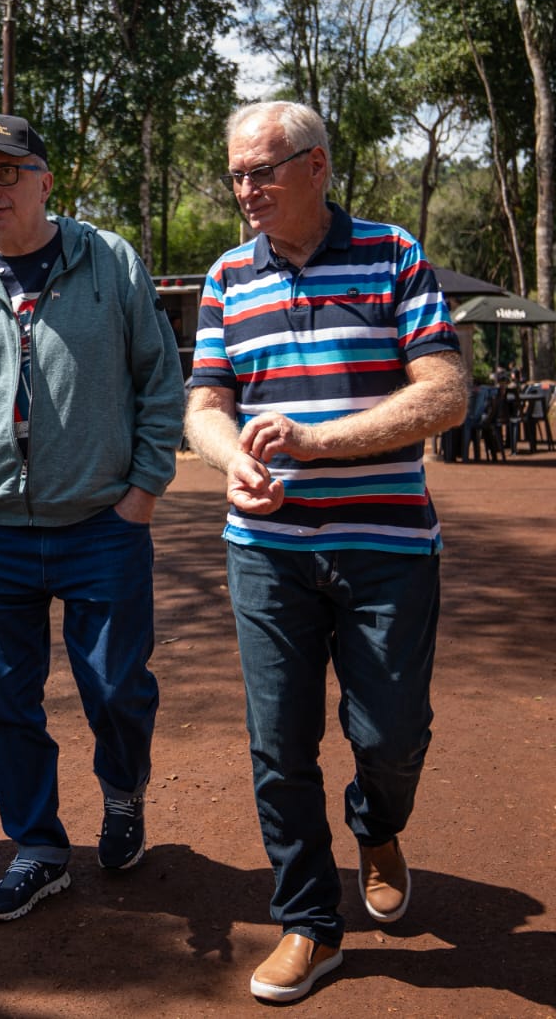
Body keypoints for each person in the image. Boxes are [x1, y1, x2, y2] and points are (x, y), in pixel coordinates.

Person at [184, 101, 468, 1004]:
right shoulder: (228, 275)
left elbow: (446, 394)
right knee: (279, 745)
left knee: (391, 736)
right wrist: (235, 464)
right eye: (235, 174)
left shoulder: (394, 254)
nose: (246, 190)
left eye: (262, 171)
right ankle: (310, 923)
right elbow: (203, 409)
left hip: (386, 547)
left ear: (317, 167)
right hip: (266, 549)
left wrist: (315, 444)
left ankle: (377, 825)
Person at [0, 114, 185, 921]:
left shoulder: (111, 262)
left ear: (44, 179)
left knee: (116, 690)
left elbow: (159, 380)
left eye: (6, 173)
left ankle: (123, 791)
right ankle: (37, 847)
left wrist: (144, 489)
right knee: (3, 701)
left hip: (103, 523)